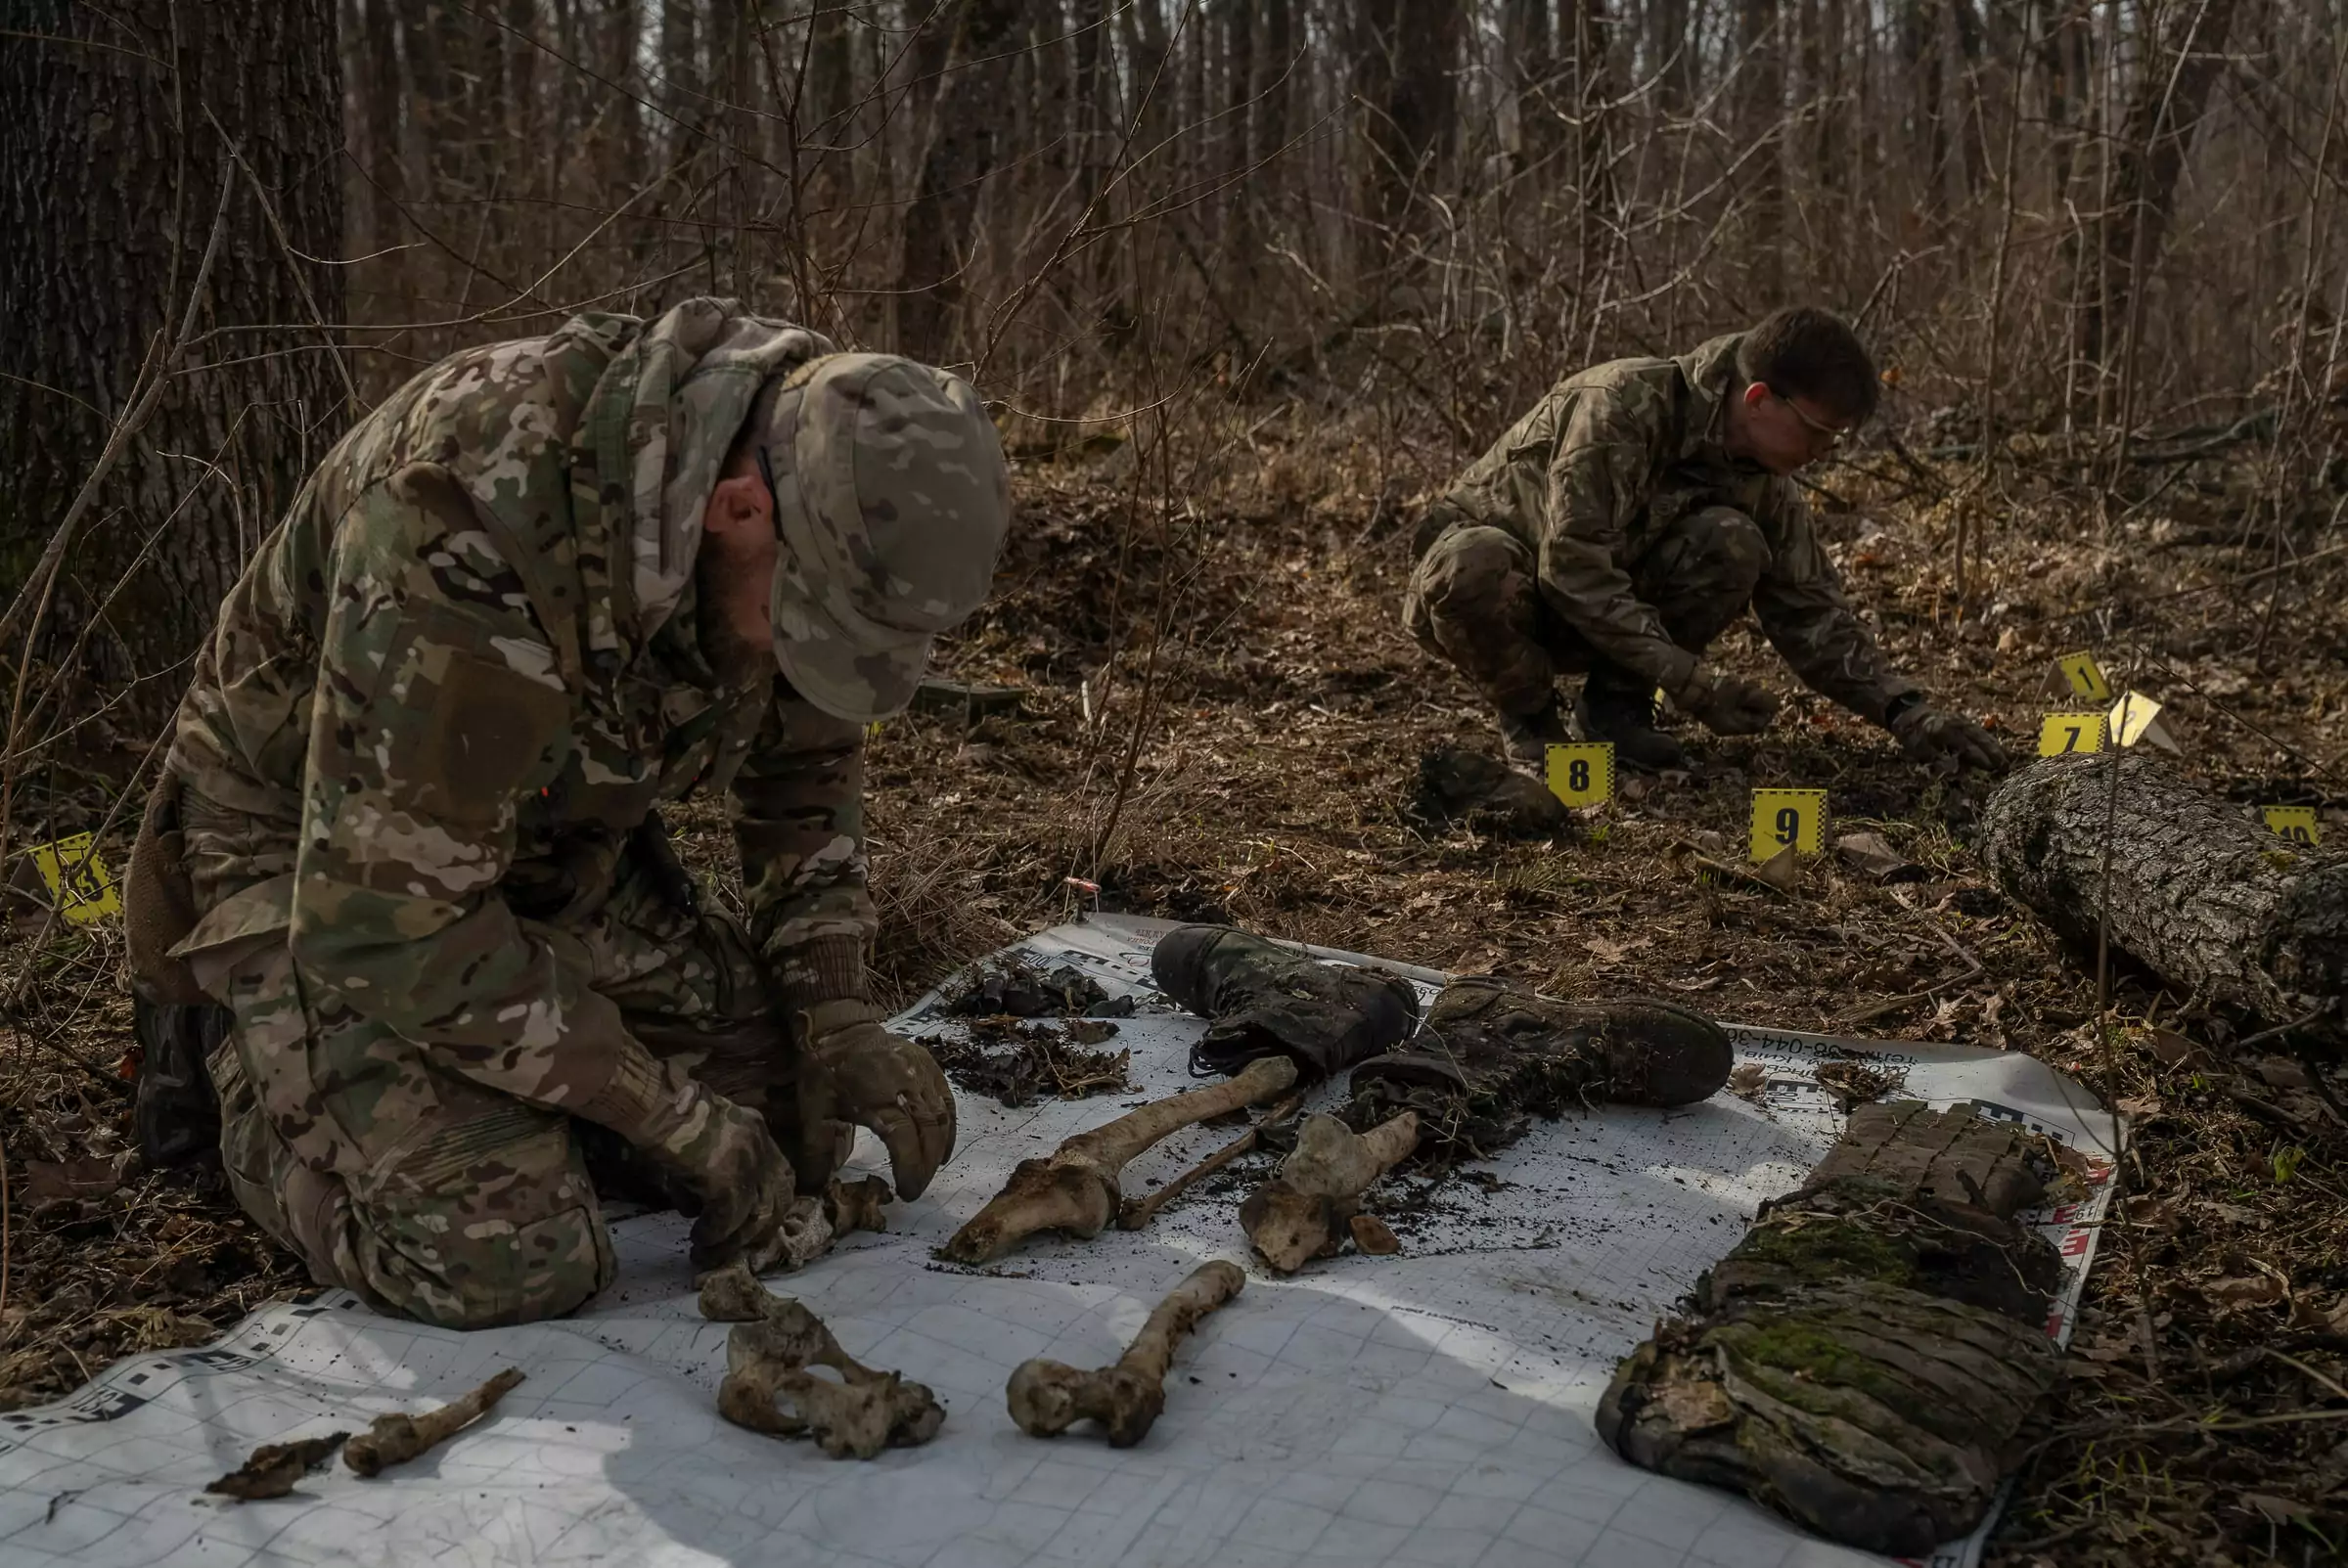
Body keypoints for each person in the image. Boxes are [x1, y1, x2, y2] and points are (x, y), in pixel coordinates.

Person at [129, 298, 1010, 1329]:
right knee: (506, 1253)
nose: (804, 659)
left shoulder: (809, 478)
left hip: (543, 844)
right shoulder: (469, 513)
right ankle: (243, 1069)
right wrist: (667, 1113)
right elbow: (390, 922)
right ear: (737, 511)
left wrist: (837, 1014)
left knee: (801, 1135)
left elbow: (803, 777)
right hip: (322, 875)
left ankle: (504, 1093)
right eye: (808, 626)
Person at [1402, 307, 2006, 775]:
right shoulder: (1618, 409)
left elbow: (1811, 611)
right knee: (1471, 563)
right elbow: (1572, 570)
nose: (1823, 454)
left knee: (1732, 541)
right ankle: (1532, 726)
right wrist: (1692, 683)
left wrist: (1905, 712)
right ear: (1760, 400)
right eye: (1820, 433)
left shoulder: (1764, 478)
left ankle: (1616, 712)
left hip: (1600, 616)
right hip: (1502, 602)